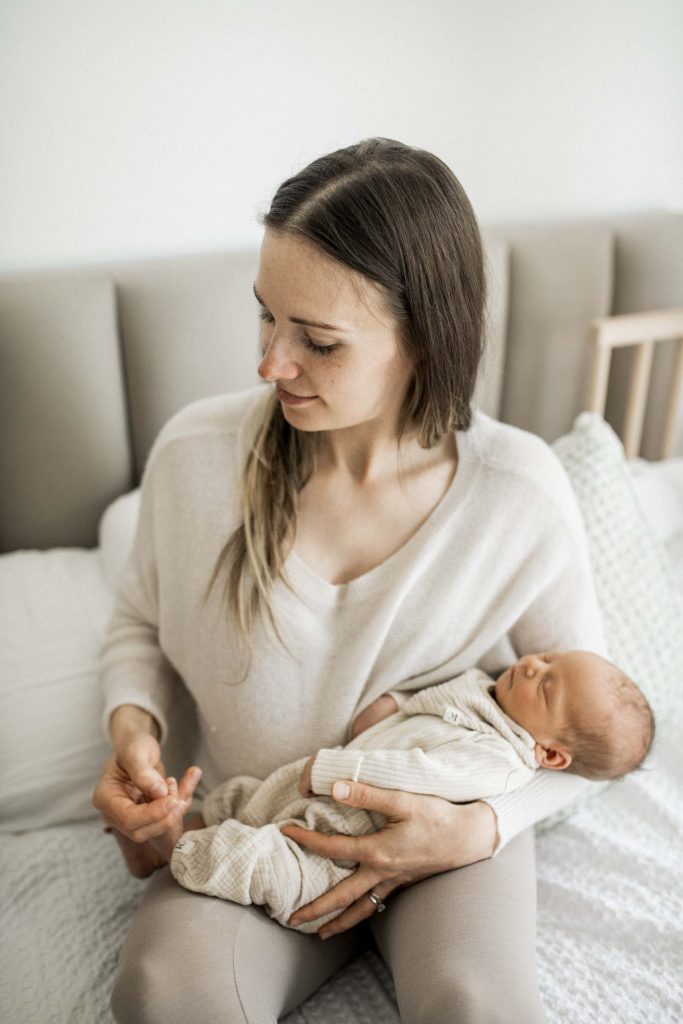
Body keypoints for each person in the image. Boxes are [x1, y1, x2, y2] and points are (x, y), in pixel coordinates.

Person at [93, 137, 610, 1024]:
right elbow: (139, 621)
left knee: (476, 1006)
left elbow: (597, 739)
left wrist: (475, 828)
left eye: (318, 342)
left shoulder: (517, 494)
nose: (269, 365)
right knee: (164, 996)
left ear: (424, 338)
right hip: (265, 826)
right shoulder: (195, 459)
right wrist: (130, 734)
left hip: (443, 828)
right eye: (265, 316)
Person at [108, 650, 654, 935]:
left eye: (548, 685)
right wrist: (391, 704)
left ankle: (180, 850)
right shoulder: (484, 689)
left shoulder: (498, 760)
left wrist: (333, 772)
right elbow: (427, 698)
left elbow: (421, 775)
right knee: (238, 801)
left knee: (265, 861)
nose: (534, 664)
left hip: (343, 838)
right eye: (549, 658)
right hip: (308, 794)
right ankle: (162, 833)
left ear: (552, 756)